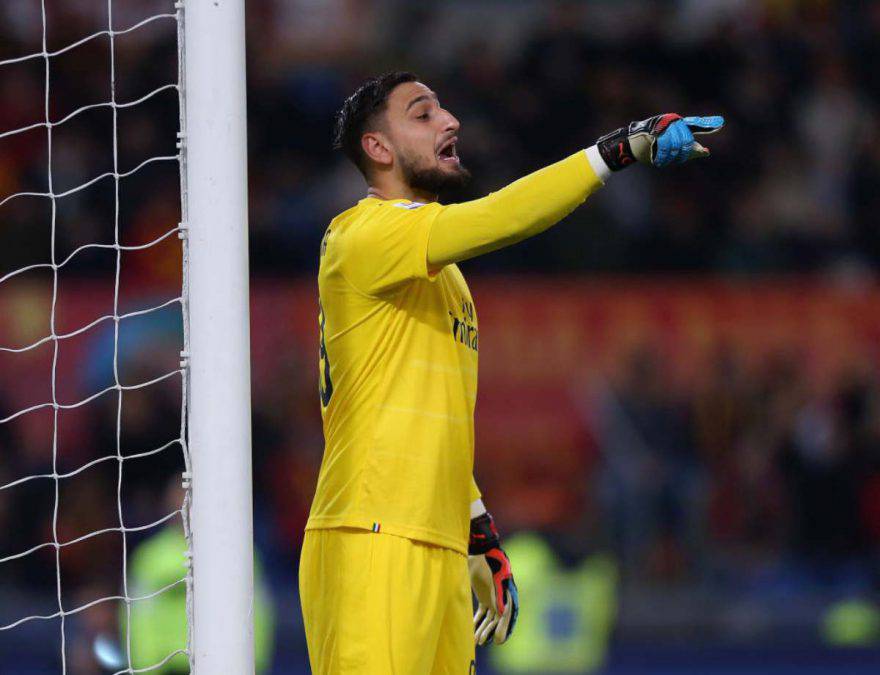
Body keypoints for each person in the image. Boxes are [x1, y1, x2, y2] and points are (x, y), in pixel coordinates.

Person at [299, 70, 723, 674]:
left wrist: (476, 530)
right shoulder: (361, 235)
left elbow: (428, 414)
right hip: (373, 535)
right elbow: (503, 216)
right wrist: (618, 150)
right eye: (423, 114)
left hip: (434, 541)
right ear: (378, 148)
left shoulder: (444, 277)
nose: (450, 122)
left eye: (444, 110)